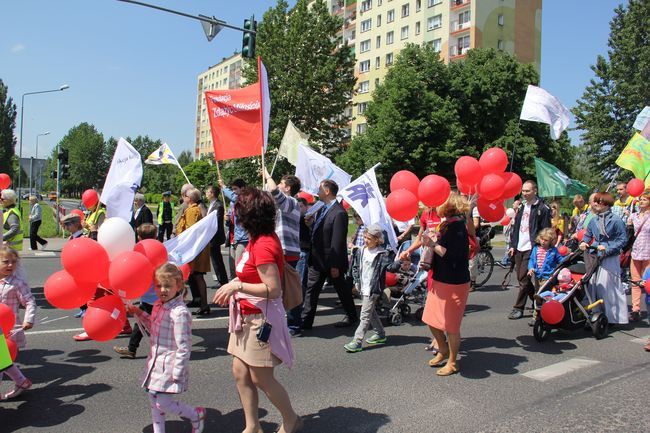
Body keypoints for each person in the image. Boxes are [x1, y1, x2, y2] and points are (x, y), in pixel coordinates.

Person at [212, 187, 302, 433]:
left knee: (261, 378)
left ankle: (291, 419)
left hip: (259, 319)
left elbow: (273, 289)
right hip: (246, 317)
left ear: (247, 216)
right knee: (240, 372)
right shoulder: (258, 238)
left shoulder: (262, 244)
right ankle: (252, 427)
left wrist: (237, 285)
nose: (234, 214)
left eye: (238, 210)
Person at [129, 263, 206, 433]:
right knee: (153, 399)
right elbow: (154, 328)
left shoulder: (180, 313)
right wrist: (139, 313)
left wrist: (178, 371)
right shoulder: (159, 305)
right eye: (158, 285)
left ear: (178, 286)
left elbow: (184, 346)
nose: (162, 289)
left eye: (168, 286)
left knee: (162, 402)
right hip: (155, 363)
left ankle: (195, 415)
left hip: (169, 366)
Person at [420, 192, 471, 376]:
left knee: (451, 326)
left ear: (448, 207)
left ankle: (453, 362)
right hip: (441, 280)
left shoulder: (458, 227)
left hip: (455, 283)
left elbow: (454, 256)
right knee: (430, 319)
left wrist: (433, 244)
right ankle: (443, 349)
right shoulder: (447, 225)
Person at [301, 180, 358, 329]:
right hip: (317, 259)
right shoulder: (322, 209)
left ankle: (352, 317)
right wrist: (311, 225)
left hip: (331, 261)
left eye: (320, 189)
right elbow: (321, 233)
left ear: (327, 191)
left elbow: (337, 241)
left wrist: (335, 265)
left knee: (342, 290)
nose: (317, 192)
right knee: (311, 290)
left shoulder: (339, 213)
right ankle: (306, 321)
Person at [344, 224, 398, 353]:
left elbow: (391, 267)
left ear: (377, 240)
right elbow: (356, 266)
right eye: (365, 237)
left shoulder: (382, 254)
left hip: (373, 289)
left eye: (369, 238)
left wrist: (400, 260)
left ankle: (357, 341)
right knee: (370, 311)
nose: (366, 240)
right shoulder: (361, 250)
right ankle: (380, 333)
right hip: (362, 286)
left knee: (365, 315)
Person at [263, 170, 303, 336]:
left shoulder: (291, 202)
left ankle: (293, 325)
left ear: (287, 188)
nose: (278, 185)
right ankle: (282, 322)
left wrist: (268, 175)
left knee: (289, 288)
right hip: (281, 251)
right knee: (278, 288)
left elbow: (274, 192)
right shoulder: (284, 203)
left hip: (288, 251)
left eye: (281, 183)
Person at [579, 191, 628, 325]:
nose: (596, 204)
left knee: (607, 286)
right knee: (593, 285)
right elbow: (588, 235)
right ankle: (596, 315)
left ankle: (612, 317)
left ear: (606, 204)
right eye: (595, 201)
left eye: (599, 201)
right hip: (595, 255)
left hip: (610, 256)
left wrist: (608, 247)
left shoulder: (616, 220)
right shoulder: (593, 219)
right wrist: (583, 242)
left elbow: (623, 240)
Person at [114, 223, 159, 359]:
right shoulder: (160, 250)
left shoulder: (137, 252)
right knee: (144, 322)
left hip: (149, 296)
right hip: (157, 294)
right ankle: (132, 348)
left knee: (146, 323)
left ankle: (133, 348)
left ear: (138, 237)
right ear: (156, 236)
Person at [507, 181, 552, 320]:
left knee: (523, 278)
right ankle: (536, 300)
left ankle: (518, 307)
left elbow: (545, 230)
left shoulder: (542, 208)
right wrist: (513, 245)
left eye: (527, 191)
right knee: (522, 279)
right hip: (520, 246)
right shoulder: (521, 206)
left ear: (535, 191)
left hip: (532, 247)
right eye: (523, 191)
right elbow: (516, 228)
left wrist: (541, 247)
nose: (524, 194)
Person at [0, 246, 36, 399]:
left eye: (13, 262)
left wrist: (29, 319)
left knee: (1, 360)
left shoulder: (17, 283)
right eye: (5, 261)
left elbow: (29, 301)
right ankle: (21, 381)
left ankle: (21, 381)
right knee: (3, 360)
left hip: (9, 329)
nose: (10, 265)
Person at [176, 188, 211, 316]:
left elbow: (190, 232)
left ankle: (204, 304)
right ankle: (203, 304)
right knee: (197, 276)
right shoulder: (195, 209)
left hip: (194, 250)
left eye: (184, 196)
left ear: (189, 198)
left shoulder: (192, 210)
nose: (183, 197)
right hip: (197, 248)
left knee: (197, 276)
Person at [627, 190, 650, 322]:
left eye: (645, 200)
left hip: (648, 253)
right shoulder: (633, 216)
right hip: (635, 252)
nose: (641, 202)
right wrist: (628, 225)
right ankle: (635, 310)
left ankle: (648, 306)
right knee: (635, 282)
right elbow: (629, 234)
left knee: (647, 283)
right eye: (640, 199)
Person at [219, 178, 249, 278]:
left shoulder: (245, 199)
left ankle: (241, 290)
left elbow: (234, 197)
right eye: (232, 189)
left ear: (243, 188)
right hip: (233, 238)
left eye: (235, 189)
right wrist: (227, 219)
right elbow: (230, 222)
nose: (234, 191)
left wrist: (223, 186)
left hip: (243, 238)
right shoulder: (232, 203)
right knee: (232, 269)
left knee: (239, 267)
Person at [205, 185, 228, 287]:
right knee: (215, 260)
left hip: (215, 237)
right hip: (211, 237)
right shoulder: (211, 204)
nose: (206, 193)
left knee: (217, 260)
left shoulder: (218, 206)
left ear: (212, 193)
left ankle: (223, 281)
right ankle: (221, 279)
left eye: (208, 192)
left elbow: (216, 223)